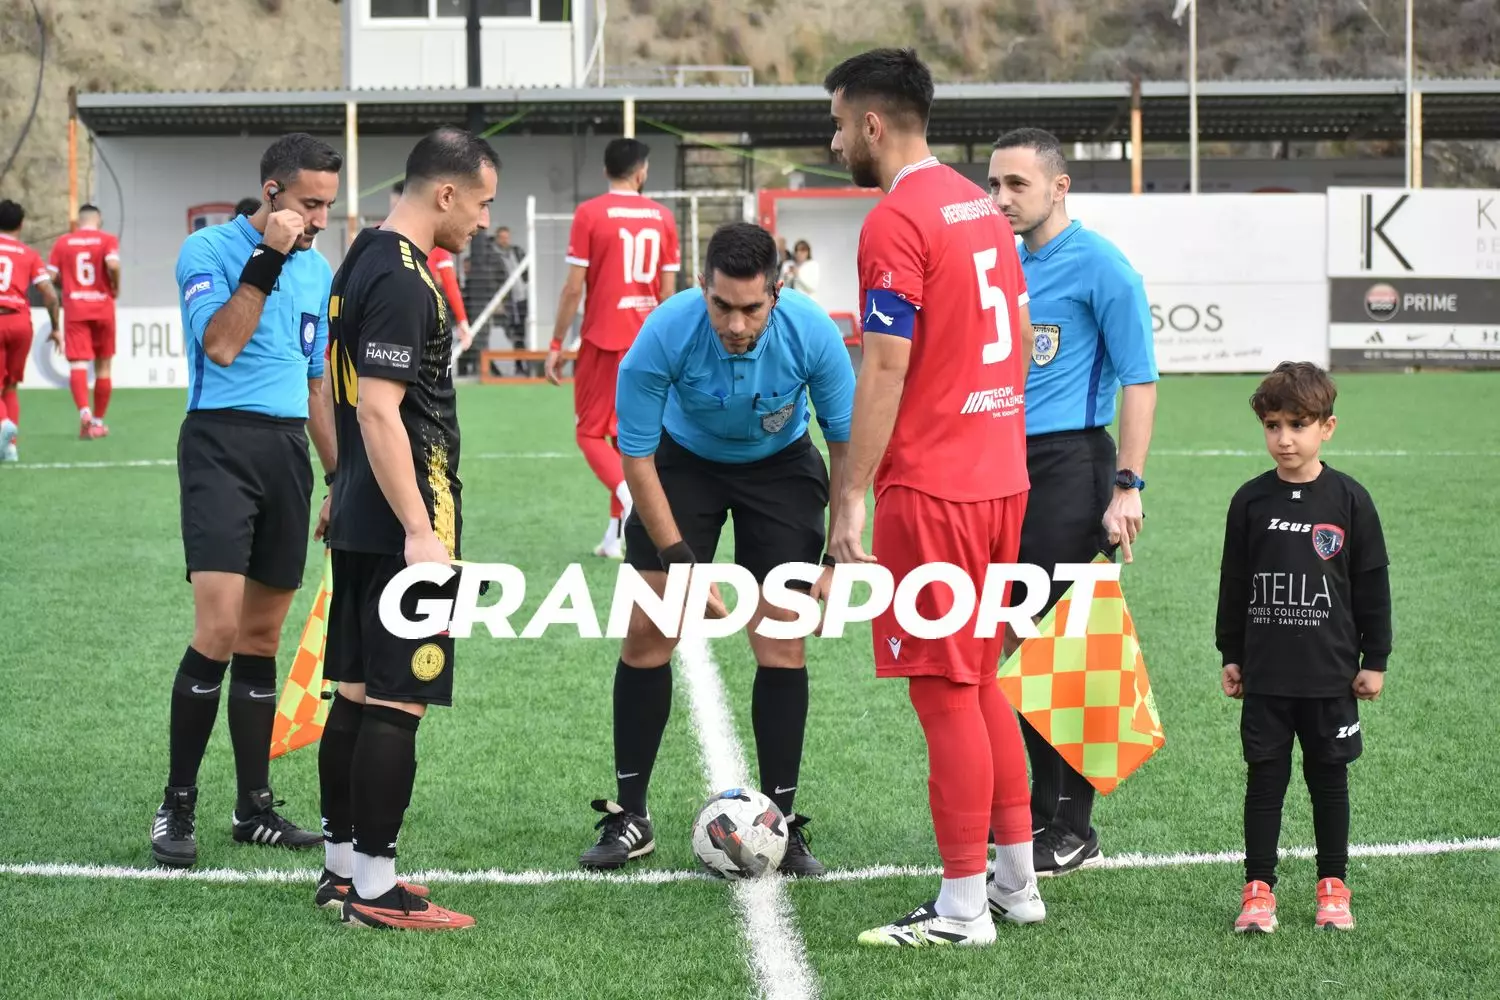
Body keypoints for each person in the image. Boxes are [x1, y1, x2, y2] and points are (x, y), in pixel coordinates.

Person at [822, 48, 1043, 947]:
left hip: (935, 489)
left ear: (873, 124)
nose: (835, 142)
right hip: (1000, 477)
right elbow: (1019, 333)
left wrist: (850, 497)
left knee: (944, 692)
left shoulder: (897, 218)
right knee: (980, 677)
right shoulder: (979, 206)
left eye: (839, 124)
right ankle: (1015, 882)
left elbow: (884, 365)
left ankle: (960, 908)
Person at [576, 221, 853, 879]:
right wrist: (682, 563)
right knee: (649, 629)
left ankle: (781, 821)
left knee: (782, 639)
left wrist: (837, 553)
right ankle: (631, 814)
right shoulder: (664, 334)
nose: (734, 323)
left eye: (751, 308)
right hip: (682, 464)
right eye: (721, 305)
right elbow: (636, 457)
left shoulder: (813, 334)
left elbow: (845, 446)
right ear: (702, 287)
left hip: (781, 467)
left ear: (777, 292)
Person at [315, 126, 498, 930]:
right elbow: (379, 409)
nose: (483, 221)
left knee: (355, 694)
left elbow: (335, 383)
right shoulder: (403, 276)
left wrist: (341, 482)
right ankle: (378, 890)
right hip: (404, 519)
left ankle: (342, 871)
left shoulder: (360, 255)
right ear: (446, 193)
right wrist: (421, 531)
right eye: (481, 203)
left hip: (362, 506)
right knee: (398, 699)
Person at [150, 132, 341, 868]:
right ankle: (177, 803)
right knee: (220, 629)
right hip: (219, 445)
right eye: (309, 203)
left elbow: (316, 383)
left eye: (327, 205)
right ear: (272, 193)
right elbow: (222, 346)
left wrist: (340, 479)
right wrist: (267, 259)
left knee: (263, 638)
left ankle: (253, 807)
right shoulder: (207, 251)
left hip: (286, 452)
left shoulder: (318, 270)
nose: (319, 219)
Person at [987, 126, 1159, 875]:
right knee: (1016, 642)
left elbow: (1140, 379)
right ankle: (1037, 809)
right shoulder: (1004, 264)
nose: (1001, 199)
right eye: (994, 185)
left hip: (1073, 464)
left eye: (1016, 185)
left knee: (1065, 648)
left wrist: (1127, 484)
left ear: (1060, 187)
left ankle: (1074, 825)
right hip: (1005, 467)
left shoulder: (1102, 266)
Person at [1216, 361, 1390, 934]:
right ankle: (1258, 889)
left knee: (1329, 782)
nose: (1284, 438)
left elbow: (1371, 583)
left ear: (1327, 427)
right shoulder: (1249, 501)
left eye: (1298, 424)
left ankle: (1333, 886)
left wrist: (1375, 660)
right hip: (1266, 676)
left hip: (1329, 676)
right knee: (1265, 782)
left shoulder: (1349, 500)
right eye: (1273, 425)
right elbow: (1234, 584)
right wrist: (1231, 653)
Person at [545, 138, 681, 560]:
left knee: (589, 433)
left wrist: (556, 342)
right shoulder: (663, 217)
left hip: (604, 339)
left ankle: (629, 495)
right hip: (648, 341)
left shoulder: (590, 213)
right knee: (627, 440)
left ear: (606, 171)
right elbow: (668, 293)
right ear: (641, 173)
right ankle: (613, 537)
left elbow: (573, 289)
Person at [48, 203, 122, 439]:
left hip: (76, 308)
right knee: (103, 366)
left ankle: (85, 413)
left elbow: (50, 276)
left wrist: (65, 284)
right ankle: (98, 422)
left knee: (78, 364)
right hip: (102, 306)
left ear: (79, 221)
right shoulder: (107, 239)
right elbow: (113, 264)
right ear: (98, 219)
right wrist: (116, 286)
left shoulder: (63, 242)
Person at [0, 200, 60, 463]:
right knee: (10, 386)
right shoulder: (29, 254)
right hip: (19, 322)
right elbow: (50, 294)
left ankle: (3, 423)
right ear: (21, 224)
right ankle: (10, 448)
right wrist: (55, 328)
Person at [390, 181, 472, 356]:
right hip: (392, 313)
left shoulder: (435, 239)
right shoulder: (380, 235)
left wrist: (462, 320)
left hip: (420, 315)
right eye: (393, 207)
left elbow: (449, 282)